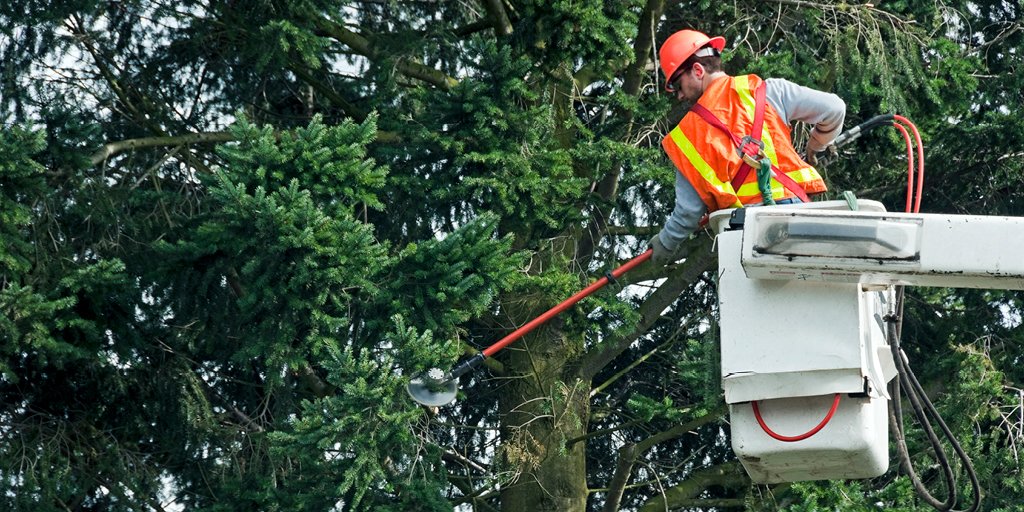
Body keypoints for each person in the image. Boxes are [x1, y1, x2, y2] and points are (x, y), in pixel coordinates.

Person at [650, 29, 846, 266]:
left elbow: (688, 212)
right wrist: (815, 145)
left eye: (677, 85)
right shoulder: (768, 91)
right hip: (799, 218)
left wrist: (666, 242)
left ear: (698, 70)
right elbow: (835, 108)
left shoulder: (690, 135)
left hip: (749, 233)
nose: (679, 95)